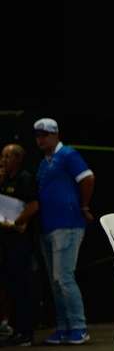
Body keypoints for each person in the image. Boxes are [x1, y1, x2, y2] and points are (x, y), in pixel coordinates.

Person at [33, 118, 95, 345]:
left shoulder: (68, 155)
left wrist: (84, 206)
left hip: (68, 225)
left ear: (55, 134)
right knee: (55, 281)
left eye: (44, 135)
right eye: (37, 136)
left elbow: (87, 178)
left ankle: (79, 326)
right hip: (48, 227)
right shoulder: (44, 163)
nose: (40, 139)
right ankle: (63, 327)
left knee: (63, 278)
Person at [0, 144, 38, 347]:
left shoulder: (25, 178)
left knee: (22, 286)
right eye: (2, 156)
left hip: (20, 241)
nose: (3, 160)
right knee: (9, 286)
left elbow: (33, 205)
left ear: (17, 159)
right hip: (5, 241)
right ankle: (14, 329)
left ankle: (26, 332)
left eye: (7, 156)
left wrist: (17, 221)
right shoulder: (4, 179)